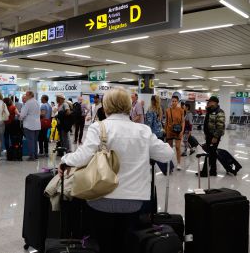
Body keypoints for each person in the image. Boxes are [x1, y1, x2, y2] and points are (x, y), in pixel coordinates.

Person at [58, 87, 174, 253]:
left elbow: (82, 156)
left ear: (106, 106)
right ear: (128, 105)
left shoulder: (99, 128)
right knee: (125, 243)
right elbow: (167, 154)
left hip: (101, 197)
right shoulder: (143, 130)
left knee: (103, 243)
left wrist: (64, 161)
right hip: (134, 201)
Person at [198, 96, 225, 177]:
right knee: (212, 153)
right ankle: (213, 171)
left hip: (214, 136)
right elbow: (207, 123)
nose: (208, 103)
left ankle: (205, 172)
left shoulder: (220, 112)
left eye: (210, 101)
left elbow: (220, 126)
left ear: (215, 102)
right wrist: (206, 134)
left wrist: (215, 137)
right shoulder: (210, 111)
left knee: (209, 153)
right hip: (209, 135)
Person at [19, 91, 41, 161]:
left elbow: (22, 114)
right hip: (37, 124)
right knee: (35, 141)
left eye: (26, 95)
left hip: (29, 125)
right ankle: (35, 155)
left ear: (30, 95)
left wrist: (20, 117)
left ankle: (32, 156)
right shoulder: (37, 102)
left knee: (30, 141)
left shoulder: (28, 103)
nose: (26, 96)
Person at [165, 95, 185, 170]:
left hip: (178, 131)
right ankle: (169, 163)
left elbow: (183, 121)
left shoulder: (181, 110)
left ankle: (179, 163)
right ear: (171, 101)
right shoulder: (168, 110)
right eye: (172, 101)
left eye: (175, 101)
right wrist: (165, 131)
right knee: (169, 148)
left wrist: (182, 131)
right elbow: (166, 121)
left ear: (178, 102)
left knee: (177, 147)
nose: (174, 102)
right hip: (169, 130)